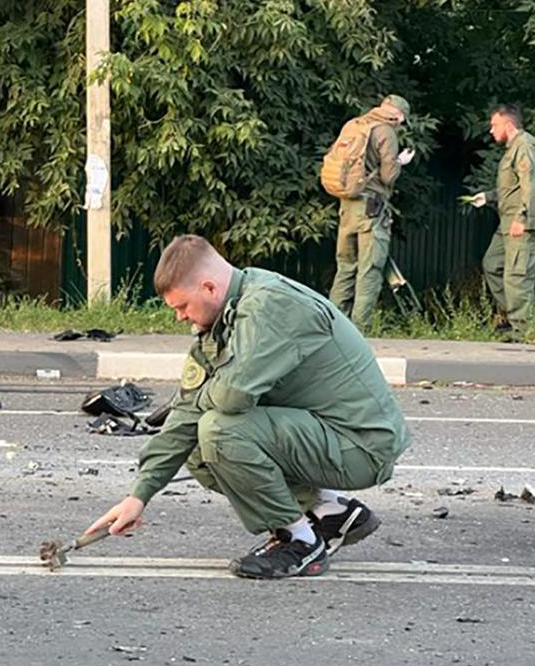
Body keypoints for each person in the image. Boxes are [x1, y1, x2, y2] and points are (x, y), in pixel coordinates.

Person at [84, 235, 411, 579]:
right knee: (196, 442)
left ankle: (299, 541)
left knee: (219, 430)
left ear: (209, 287)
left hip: (361, 445)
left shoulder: (269, 306)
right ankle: (328, 511)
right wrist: (139, 496)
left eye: (182, 306)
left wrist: (200, 400)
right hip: (325, 434)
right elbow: (185, 412)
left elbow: (231, 397)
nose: (180, 317)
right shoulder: (224, 318)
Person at [326, 94, 416, 330]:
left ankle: (334, 328)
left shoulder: (354, 125)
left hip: (347, 205)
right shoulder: (385, 132)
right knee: (370, 269)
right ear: (398, 115)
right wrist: (399, 162)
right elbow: (388, 176)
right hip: (372, 209)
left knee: (345, 267)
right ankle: (359, 330)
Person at [467, 104, 535, 334]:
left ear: (508, 124)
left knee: (517, 275)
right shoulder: (512, 149)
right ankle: (512, 315)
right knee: (492, 264)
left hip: (519, 223)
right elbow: (512, 188)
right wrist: (487, 197)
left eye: (494, 125)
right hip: (506, 223)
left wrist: (523, 218)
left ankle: (523, 331)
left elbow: (530, 186)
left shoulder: (524, 146)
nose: (491, 130)